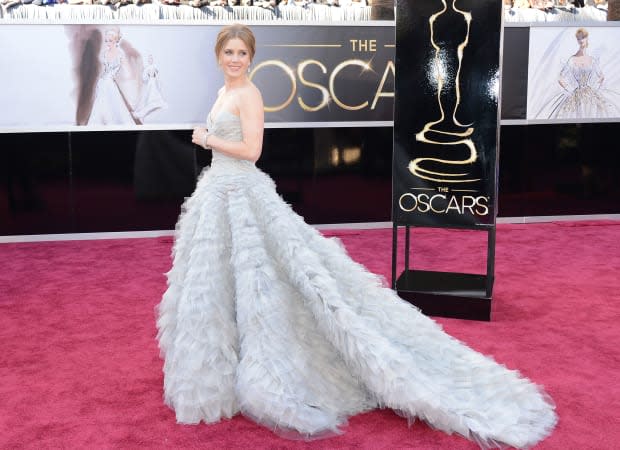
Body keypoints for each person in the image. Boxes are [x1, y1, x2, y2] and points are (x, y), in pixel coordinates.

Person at [156, 24, 557, 449]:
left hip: (242, 191)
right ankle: (225, 364)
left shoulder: (248, 95)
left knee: (268, 281)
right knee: (217, 282)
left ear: (251, 57)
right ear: (218, 56)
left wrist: (208, 138)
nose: (234, 59)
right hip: (217, 194)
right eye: (228, 52)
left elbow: (253, 151)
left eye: (241, 52)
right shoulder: (223, 93)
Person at [536, 28, 620, 119]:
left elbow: (601, 76)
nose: (581, 40)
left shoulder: (592, 60)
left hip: (590, 94)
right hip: (576, 94)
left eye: (583, 37)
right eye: (578, 38)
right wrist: (570, 89)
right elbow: (560, 78)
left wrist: (594, 87)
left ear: (587, 38)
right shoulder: (572, 59)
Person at [87, 27, 141, 126]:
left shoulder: (120, 54)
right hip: (103, 81)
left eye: (110, 41)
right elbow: (104, 69)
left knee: (114, 103)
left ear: (116, 40)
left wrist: (126, 79)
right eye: (106, 41)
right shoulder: (105, 53)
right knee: (102, 102)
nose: (108, 43)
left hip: (110, 82)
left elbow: (128, 71)